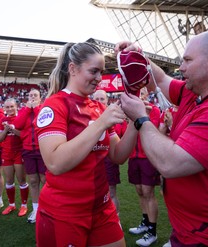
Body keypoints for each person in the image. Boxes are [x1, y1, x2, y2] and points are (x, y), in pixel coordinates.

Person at [117, 29, 208, 246]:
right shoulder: (196, 92)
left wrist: (140, 119)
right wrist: (139, 55)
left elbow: (170, 163)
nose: (181, 67)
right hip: (190, 232)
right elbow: (160, 79)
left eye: (187, 60)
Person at [35, 42, 138, 247]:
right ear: (73, 69)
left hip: (101, 207)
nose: (99, 78)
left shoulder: (99, 107)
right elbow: (55, 163)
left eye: (101, 72)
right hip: (65, 211)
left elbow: (117, 155)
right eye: (94, 71)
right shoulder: (54, 105)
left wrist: (137, 122)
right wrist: (100, 124)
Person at [127, 87, 161, 247]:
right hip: (134, 156)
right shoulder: (129, 111)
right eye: (136, 94)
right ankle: (145, 222)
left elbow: (152, 130)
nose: (139, 97)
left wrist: (142, 115)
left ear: (147, 95)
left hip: (147, 156)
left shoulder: (153, 110)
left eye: (141, 93)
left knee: (148, 192)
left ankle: (152, 231)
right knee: (140, 190)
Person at [13, 88, 45, 223]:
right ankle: (36, 209)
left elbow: (42, 122)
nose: (32, 97)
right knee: (33, 181)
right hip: (28, 150)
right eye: (30, 95)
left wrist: (36, 108)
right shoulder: (23, 110)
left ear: (40, 98)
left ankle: (48, 209)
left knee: (46, 180)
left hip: (42, 149)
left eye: (35, 95)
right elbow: (18, 125)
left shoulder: (43, 108)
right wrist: (27, 110)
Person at [0, 98, 29, 217]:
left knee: (21, 180)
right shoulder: (2, 120)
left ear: (16, 106)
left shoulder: (21, 118)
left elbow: (24, 136)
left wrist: (13, 129)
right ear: (4, 108)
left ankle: (24, 206)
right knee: (9, 181)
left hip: (19, 152)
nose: (10, 109)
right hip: (6, 153)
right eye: (7, 107)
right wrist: (6, 129)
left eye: (12, 106)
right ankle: (11, 204)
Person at [92, 89, 123, 215]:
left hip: (109, 159)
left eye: (102, 99)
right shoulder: (86, 116)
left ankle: (116, 220)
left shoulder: (115, 118)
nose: (99, 102)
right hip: (93, 160)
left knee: (111, 191)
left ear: (107, 101)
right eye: (96, 99)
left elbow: (120, 139)